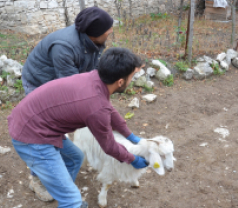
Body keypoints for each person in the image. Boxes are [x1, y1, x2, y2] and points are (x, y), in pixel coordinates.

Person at [8, 48, 148, 208]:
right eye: (132, 76)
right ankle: (68, 199)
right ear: (120, 82)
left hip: (34, 120)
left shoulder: (95, 78)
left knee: (75, 157)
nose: (133, 79)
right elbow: (109, 146)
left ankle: (60, 189)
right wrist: (133, 159)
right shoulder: (96, 107)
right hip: (31, 136)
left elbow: (109, 110)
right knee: (73, 200)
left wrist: (130, 136)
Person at [21, 6, 114, 95]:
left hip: (60, 78)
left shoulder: (92, 40)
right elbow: (72, 86)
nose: (111, 30)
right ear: (95, 34)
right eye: (107, 29)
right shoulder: (65, 47)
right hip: (38, 82)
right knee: (54, 109)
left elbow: (94, 71)